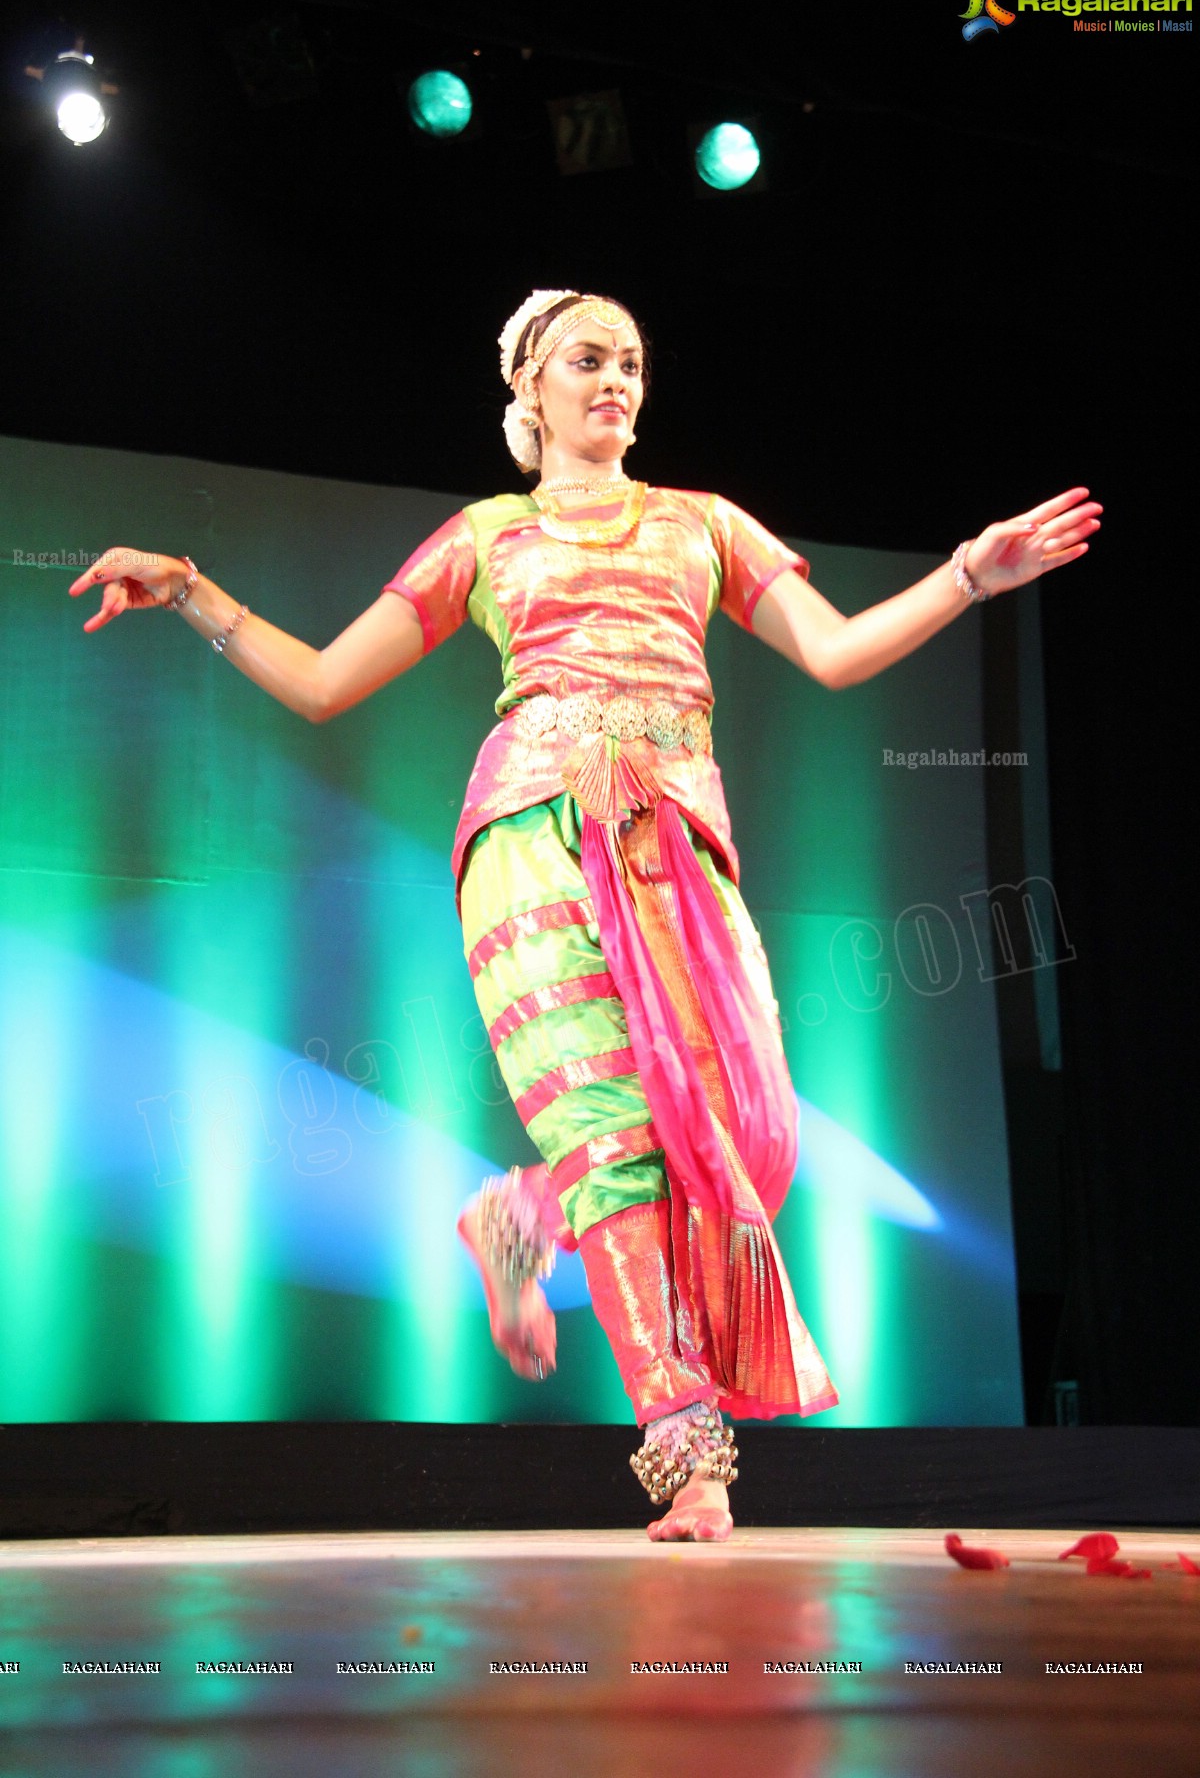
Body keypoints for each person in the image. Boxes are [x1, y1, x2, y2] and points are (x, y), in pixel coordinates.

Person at [69, 289, 1100, 1543]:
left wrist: (963, 577)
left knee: (742, 1138)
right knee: (615, 1127)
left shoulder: (704, 524)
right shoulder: (487, 538)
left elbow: (832, 654)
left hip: (677, 845)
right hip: (533, 832)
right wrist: (188, 588)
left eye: (631, 363)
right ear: (530, 393)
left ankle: (521, 1216)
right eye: (587, 361)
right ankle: (690, 1453)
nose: (616, 380)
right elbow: (331, 682)